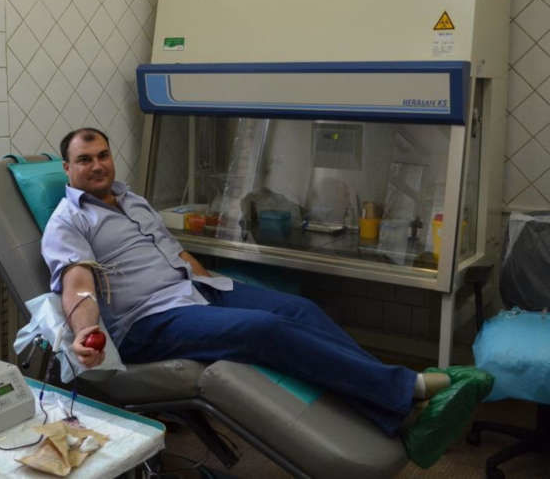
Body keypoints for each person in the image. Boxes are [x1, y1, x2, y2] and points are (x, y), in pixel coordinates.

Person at [41, 127, 489, 457]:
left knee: (300, 308)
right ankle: (408, 390)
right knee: (264, 331)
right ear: (68, 169)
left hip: (196, 291)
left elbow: (175, 251)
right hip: (148, 321)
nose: (97, 165)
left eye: (103, 155)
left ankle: (387, 407)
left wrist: (216, 287)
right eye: (85, 160)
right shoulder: (68, 221)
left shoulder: (132, 199)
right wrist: (86, 333)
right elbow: (78, 285)